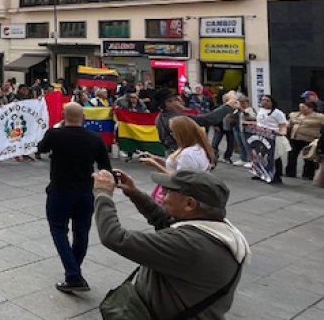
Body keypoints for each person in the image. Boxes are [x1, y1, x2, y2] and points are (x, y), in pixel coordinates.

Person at [92, 169, 249, 319]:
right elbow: (164, 221)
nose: (162, 196)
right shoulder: (218, 229)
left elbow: (115, 238)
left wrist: (103, 195)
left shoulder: (189, 244)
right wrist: (134, 193)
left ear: (189, 204)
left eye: (168, 192)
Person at [36, 102, 111, 293]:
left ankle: (73, 274)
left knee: (58, 229)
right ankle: (74, 272)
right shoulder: (95, 139)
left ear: (63, 115)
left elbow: (41, 148)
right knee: (82, 231)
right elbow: (105, 167)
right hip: (85, 192)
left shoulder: (55, 135)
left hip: (60, 191)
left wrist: (57, 127)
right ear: (84, 117)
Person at [139, 117, 216, 205]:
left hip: (180, 196)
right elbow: (176, 167)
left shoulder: (187, 154)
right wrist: (155, 159)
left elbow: (180, 179)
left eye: (173, 132)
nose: (172, 134)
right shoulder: (197, 148)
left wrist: (154, 164)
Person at [154, 88, 237, 154]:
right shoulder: (176, 118)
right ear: (168, 103)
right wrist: (228, 105)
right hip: (182, 155)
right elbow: (208, 119)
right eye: (176, 99)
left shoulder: (160, 117)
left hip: (173, 153)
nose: (180, 102)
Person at [255, 94, 290, 185]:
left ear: (272, 102)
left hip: (274, 137)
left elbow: (283, 125)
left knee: (275, 157)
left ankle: (277, 176)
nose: (264, 102)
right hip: (262, 136)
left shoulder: (277, 113)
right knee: (261, 155)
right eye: (263, 100)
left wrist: (282, 133)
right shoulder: (261, 110)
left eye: (267, 100)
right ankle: (262, 173)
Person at [286, 101, 323, 180]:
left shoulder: (319, 116)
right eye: (300, 107)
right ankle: (290, 172)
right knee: (292, 155)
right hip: (295, 138)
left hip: (309, 139)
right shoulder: (295, 114)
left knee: (308, 157)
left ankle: (307, 175)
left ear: (311, 108)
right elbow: (289, 123)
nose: (301, 109)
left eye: (303, 108)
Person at [231, 94, 255, 167]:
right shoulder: (236, 110)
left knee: (247, 145)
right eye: (241, 102)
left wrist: (241, 109)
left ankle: (251, 160)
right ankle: (243, 159)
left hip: (247, 130)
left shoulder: (250, 109)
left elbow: (252, 117)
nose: (243, 103)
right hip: (237, 128)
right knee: (240, 145)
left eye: (244, 102)